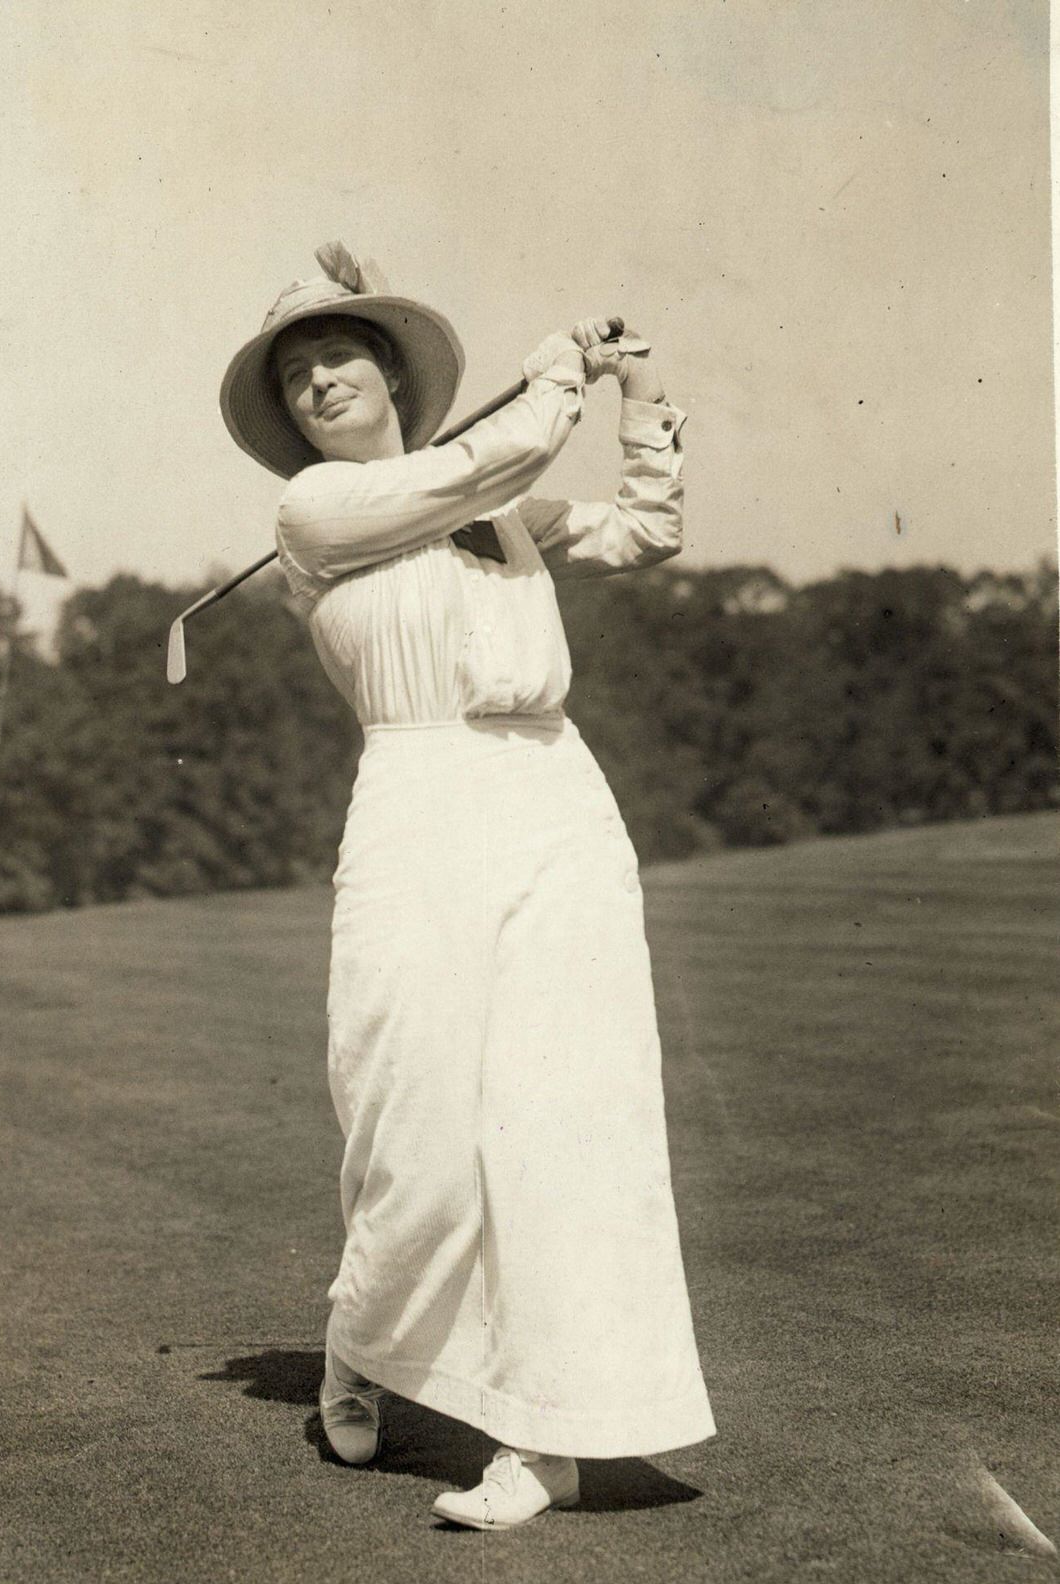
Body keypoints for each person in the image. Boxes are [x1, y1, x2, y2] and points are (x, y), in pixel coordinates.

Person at [219, 243, 715, 1530]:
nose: (319, 381)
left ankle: (539, 1444)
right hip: (418, 797)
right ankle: (364, 1339)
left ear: (388, 371)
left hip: (554, 795)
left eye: (336, 354)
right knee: (415, 1135)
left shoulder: (489, 505)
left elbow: (647, 528)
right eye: (295, 374)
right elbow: (479, 468)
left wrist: (630, 381)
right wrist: (555, 375)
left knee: (567, 1123)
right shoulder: (316, 516)